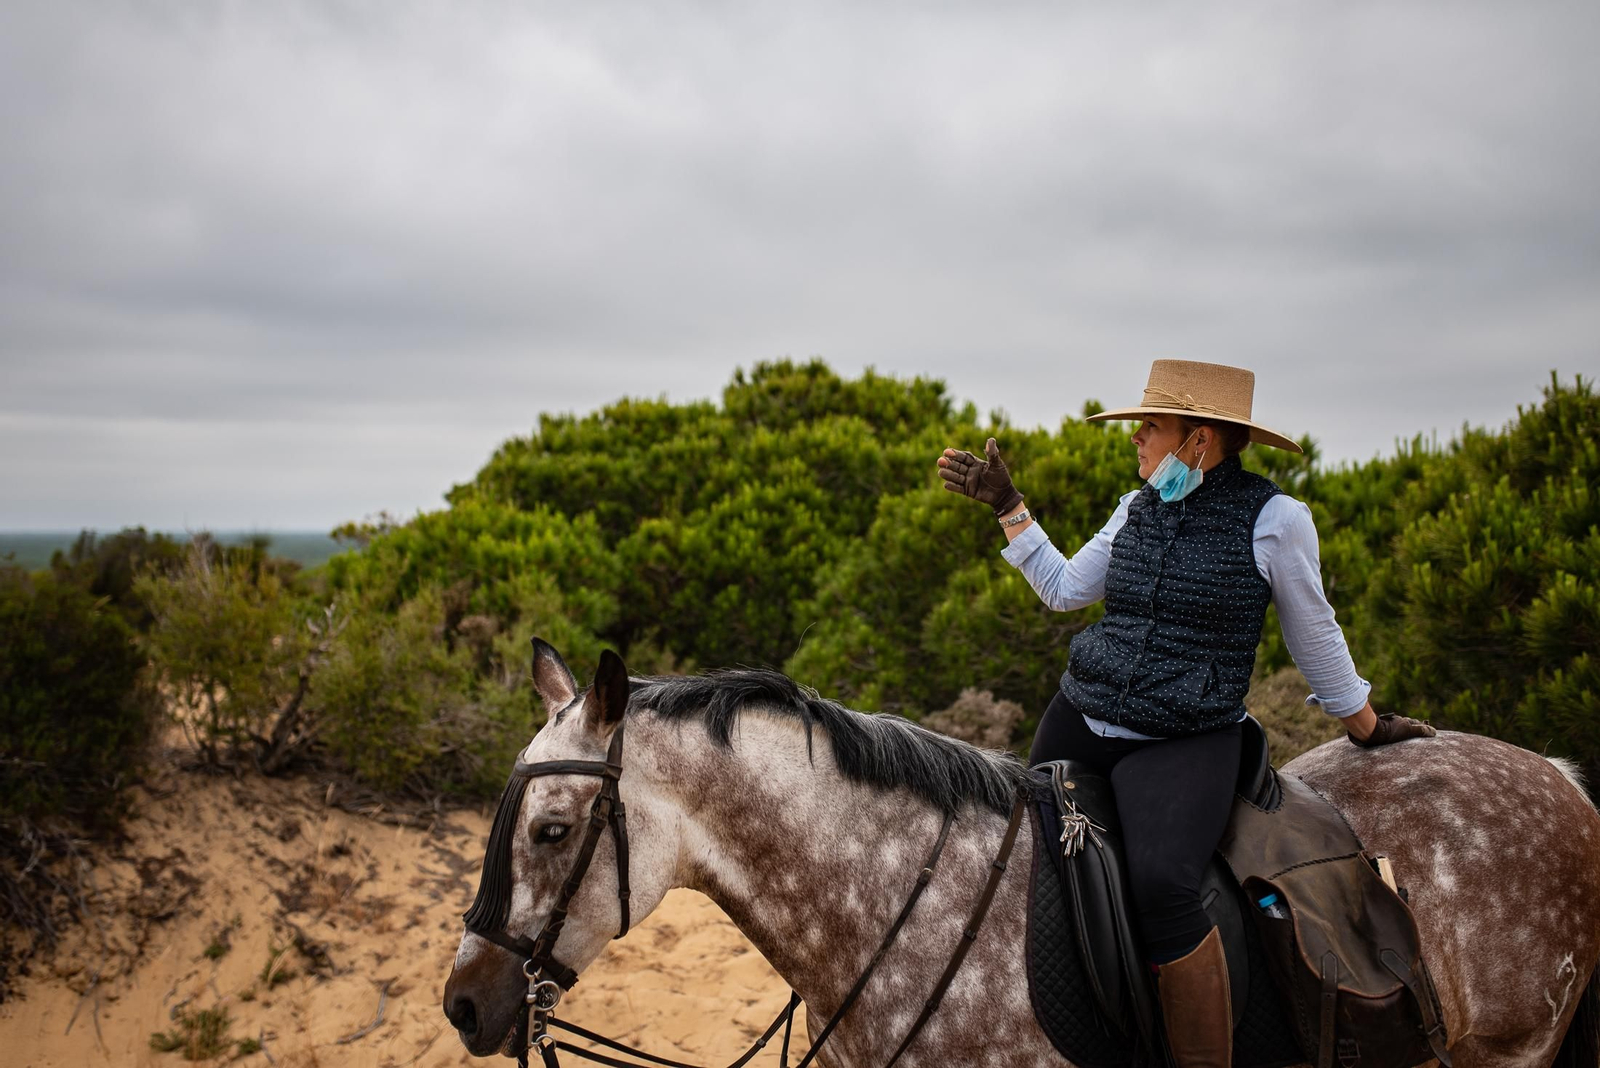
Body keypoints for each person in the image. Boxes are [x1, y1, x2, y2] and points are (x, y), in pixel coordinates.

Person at [936, 359, 1435, 1068]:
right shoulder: (1134, 506)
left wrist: (1366, 724)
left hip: (1184, 739)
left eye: (1150, 427)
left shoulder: (1276, 520)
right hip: (1080, 712)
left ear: (1199, 439)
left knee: (1164, 885)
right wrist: (1008, 506)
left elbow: (1314, 632)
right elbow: (1064, 590)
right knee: (1018, 855)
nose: (1136, 440)